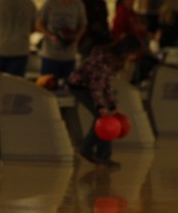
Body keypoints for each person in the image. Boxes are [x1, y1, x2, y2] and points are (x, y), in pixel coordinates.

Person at [67, 35, 142, 168]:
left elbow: (106, 85)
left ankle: (101, 155)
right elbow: (96, 85)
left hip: (88, 86)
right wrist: (101, 106)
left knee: (108, 116)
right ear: (127, 51)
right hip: (80, 86)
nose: (133, 58)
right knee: (103, 117)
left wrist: (112, 106)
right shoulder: (105, 60)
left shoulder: (111, 59)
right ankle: (89, 150)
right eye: (133, 54)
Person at [36, 0, 87, 85]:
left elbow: (83, 25)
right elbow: (38, 24)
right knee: (47, 86)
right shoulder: (50, 3)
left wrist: (75, 38)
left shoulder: (78, 4)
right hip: (50, 54)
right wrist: (51, 36)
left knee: (67, 87)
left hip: (69, 55)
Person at [0, 0, 36, 77]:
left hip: (1, 47)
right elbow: (35, 26)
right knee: (16, 83)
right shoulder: (29, 3)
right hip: (20, 48)